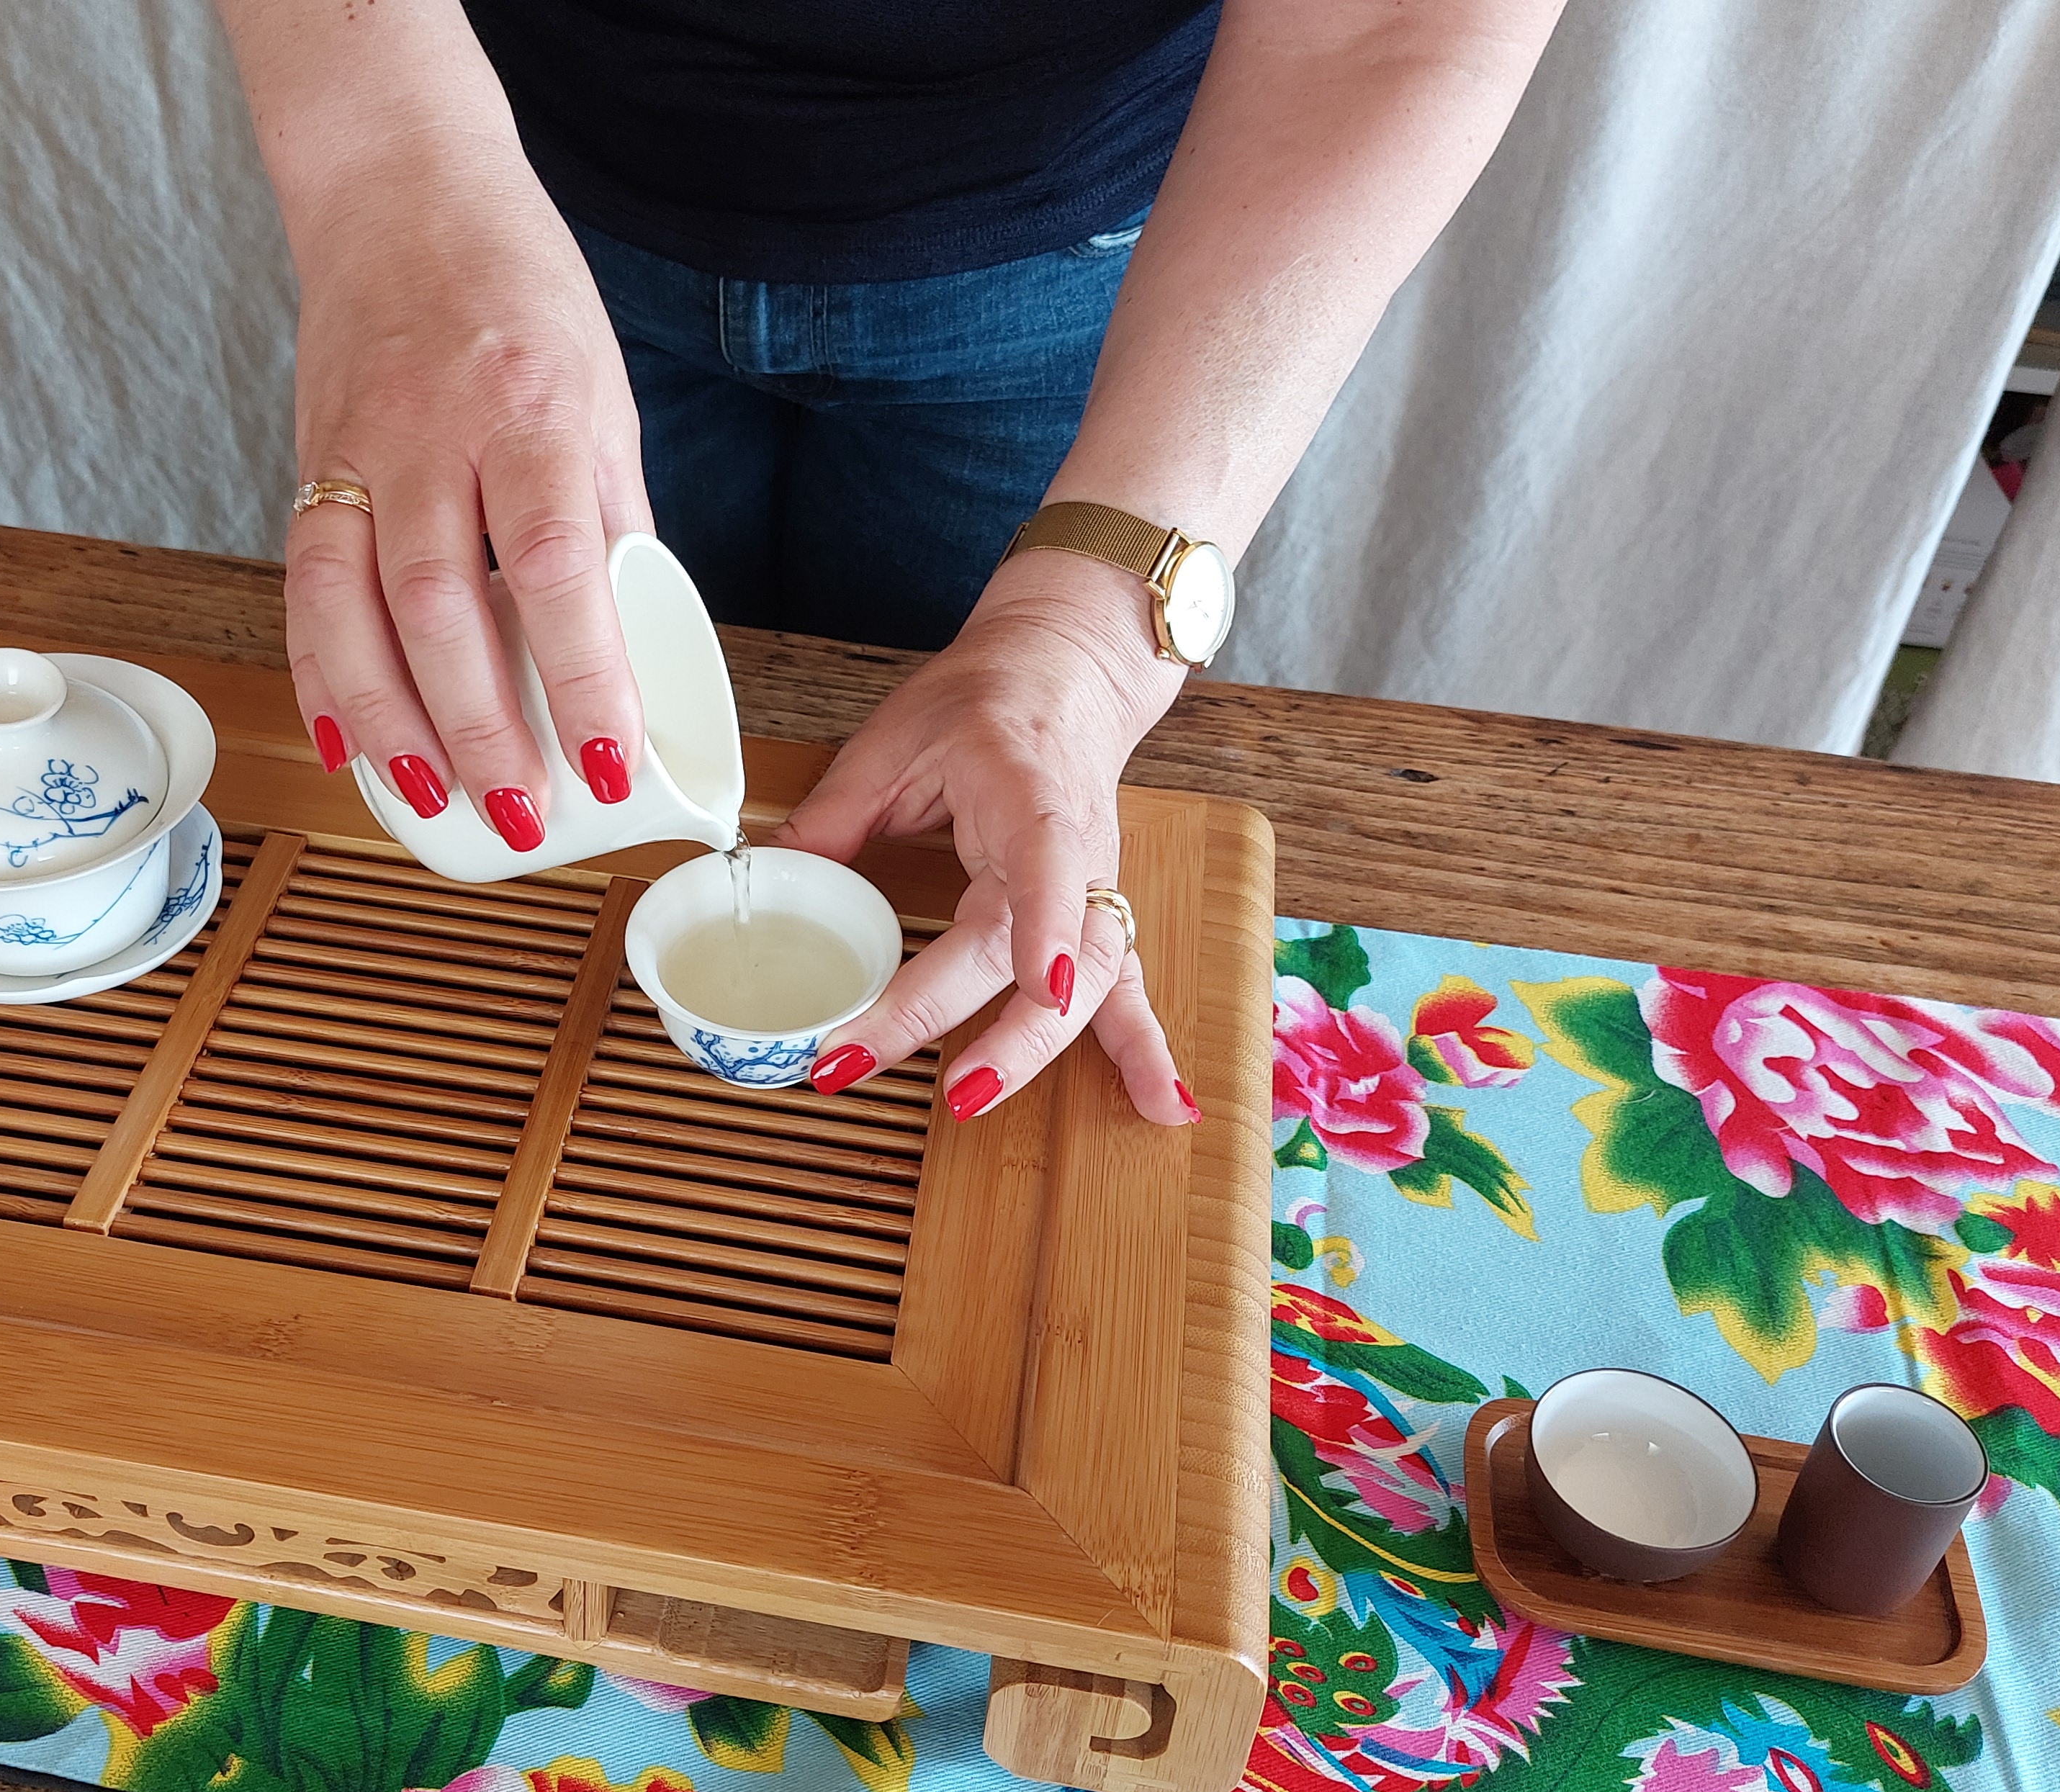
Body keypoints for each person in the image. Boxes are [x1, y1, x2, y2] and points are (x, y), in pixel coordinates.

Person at [211, 0, 1563, 1122]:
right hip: (509, 189)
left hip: (1079, 242)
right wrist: (388, 192)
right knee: (540, 727)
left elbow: (1384, 23)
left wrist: (1091, 639)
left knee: (959, 822)